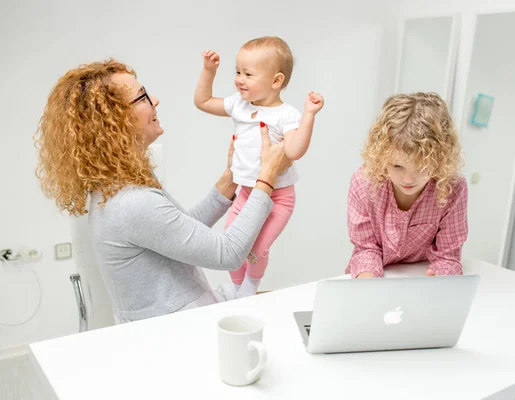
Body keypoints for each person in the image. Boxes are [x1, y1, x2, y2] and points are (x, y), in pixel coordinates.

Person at [34, 59, 291, 323]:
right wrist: (266, 179)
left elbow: (179, 232)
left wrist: (231, 178)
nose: (155, 100)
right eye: (142, 96)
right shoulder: (131, 203)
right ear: (114, 120)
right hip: (176, 334)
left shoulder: (119, 188)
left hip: (185, 314)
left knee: (287, 302)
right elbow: (228, 253)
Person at [194, 36, 324, 297]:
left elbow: (294, 151)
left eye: (248, 74)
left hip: (279, 198)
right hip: (245, 193)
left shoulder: (286, 115)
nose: (239, 79)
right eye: (237, 72)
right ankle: (240, 287)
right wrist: (209, 71)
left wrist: (308, 116)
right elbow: (203, 102)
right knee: (231, 242)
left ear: (276, 81)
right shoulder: (239, 104)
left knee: (257, 248)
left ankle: (251, 285)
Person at [346, 93, 468, 279]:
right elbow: (365, 250)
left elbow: (448, 257)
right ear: (381, 156)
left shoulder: (452, 188)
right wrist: (368, 287)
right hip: (373, 278)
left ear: (440, 160)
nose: (408, 179)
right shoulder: (364, 183)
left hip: (420, 280)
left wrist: (438, 283)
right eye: (397, 166)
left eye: (421, 167)